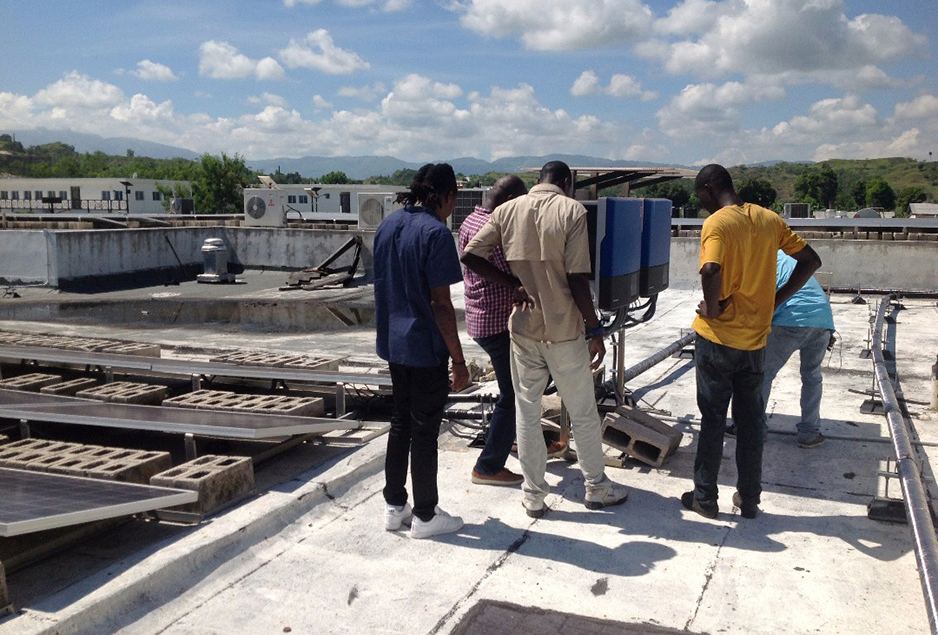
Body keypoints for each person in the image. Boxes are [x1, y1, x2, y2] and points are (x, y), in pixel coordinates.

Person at [462, 160, 629, 518]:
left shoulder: (506, 211)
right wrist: (595, 328)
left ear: (538, 180)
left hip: (523, 328)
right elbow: (577, 278)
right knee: (583, 412)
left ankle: (534, 495)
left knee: (526, 411)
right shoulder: (572, 211)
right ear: (566, 182)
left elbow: (470, 255)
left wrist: (512, 285)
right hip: (565, 330)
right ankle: (596, 487)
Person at [684, 164, 821, 520]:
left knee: (713, 419)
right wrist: (775, 299)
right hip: (755, 344)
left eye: (701, 197)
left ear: (710, 188)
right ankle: (749, 500)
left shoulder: (718, 223)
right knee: (750, 423)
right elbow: (810, 259)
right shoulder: (768, 220)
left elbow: (710, 269)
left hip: (717, 341)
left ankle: (705, 499)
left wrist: (712, 309)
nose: (702, 205)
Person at [373, 163, 469, 539]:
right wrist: (459, 361)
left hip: (394, 344)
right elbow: (442, 305)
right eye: (453, 201)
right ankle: (426, 515)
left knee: (400, 424)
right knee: (425, 431)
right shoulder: (436, 234)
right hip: (425, 348)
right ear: (445, 197)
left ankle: (395, 506)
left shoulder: (387, 226)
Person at [458, 175, 528, 487]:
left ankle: (514, 439)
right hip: (496, 322)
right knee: (513, 395)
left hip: (481, 318)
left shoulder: (470, 220)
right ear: (511, 198)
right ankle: (488, 466)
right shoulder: (493, 227)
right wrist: (517, 283)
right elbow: (501, 267)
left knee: (519, 387)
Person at [761, 250, 835, 448]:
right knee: (812, 377)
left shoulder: (761, 259)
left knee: (763, 374)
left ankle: (754, 429)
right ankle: (809, 433)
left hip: (790, 319)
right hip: (823, 320)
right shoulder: (790, 260)